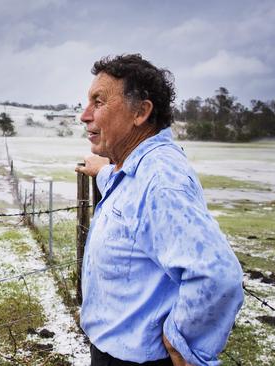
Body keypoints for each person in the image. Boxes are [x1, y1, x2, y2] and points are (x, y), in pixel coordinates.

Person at [75, 54, 243, 366]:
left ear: (140, 112)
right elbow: (130, 196)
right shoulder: (134, 169)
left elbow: (217, 276)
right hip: (111, 352)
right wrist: (102, 170)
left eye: (98, 102)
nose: (85, 116)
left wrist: (183, 343)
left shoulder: (161, 179)